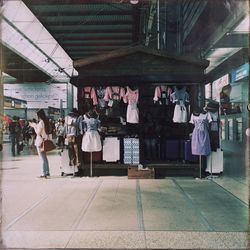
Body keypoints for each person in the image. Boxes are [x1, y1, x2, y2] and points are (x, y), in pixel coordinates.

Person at [29, 109, 51, 178]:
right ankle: (47, 172)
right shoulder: (46, 121)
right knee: (45, 157)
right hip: (44, 141)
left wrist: (34, 126)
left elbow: (38, 132)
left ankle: (43, 173)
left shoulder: (41, 122)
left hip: (40, 142)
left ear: (39, 115)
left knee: (42, 158)